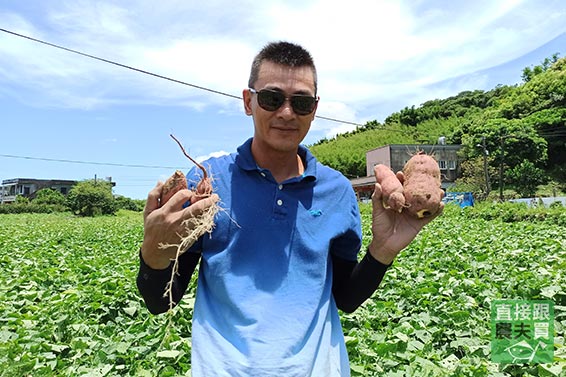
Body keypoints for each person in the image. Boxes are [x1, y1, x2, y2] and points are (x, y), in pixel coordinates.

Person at [137, 41, 442, 376]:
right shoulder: (206, 183)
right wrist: (153, 254)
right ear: (248, 101)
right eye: (271, 98)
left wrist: (382, 251)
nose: (286, 113)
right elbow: (160, 301)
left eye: (301, 102)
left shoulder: (336, 191)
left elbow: (346, 298)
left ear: (314, 108)